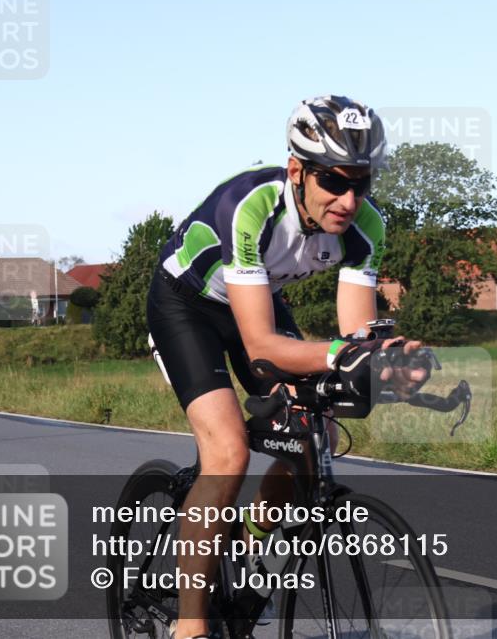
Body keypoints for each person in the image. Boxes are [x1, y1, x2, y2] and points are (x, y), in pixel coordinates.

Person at [146, 95, 427, 639]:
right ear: (297, 170)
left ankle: (251, 548)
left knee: (311, 432)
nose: (348, 200)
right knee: (227, 452)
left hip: (255, 298)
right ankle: (189, 625)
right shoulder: (251, 205)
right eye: (334, 181)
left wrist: (384, 358)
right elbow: (260, 346)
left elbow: (356, 335)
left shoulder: (366, 227)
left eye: (361, 183)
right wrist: (339, 354)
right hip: (186, 304)